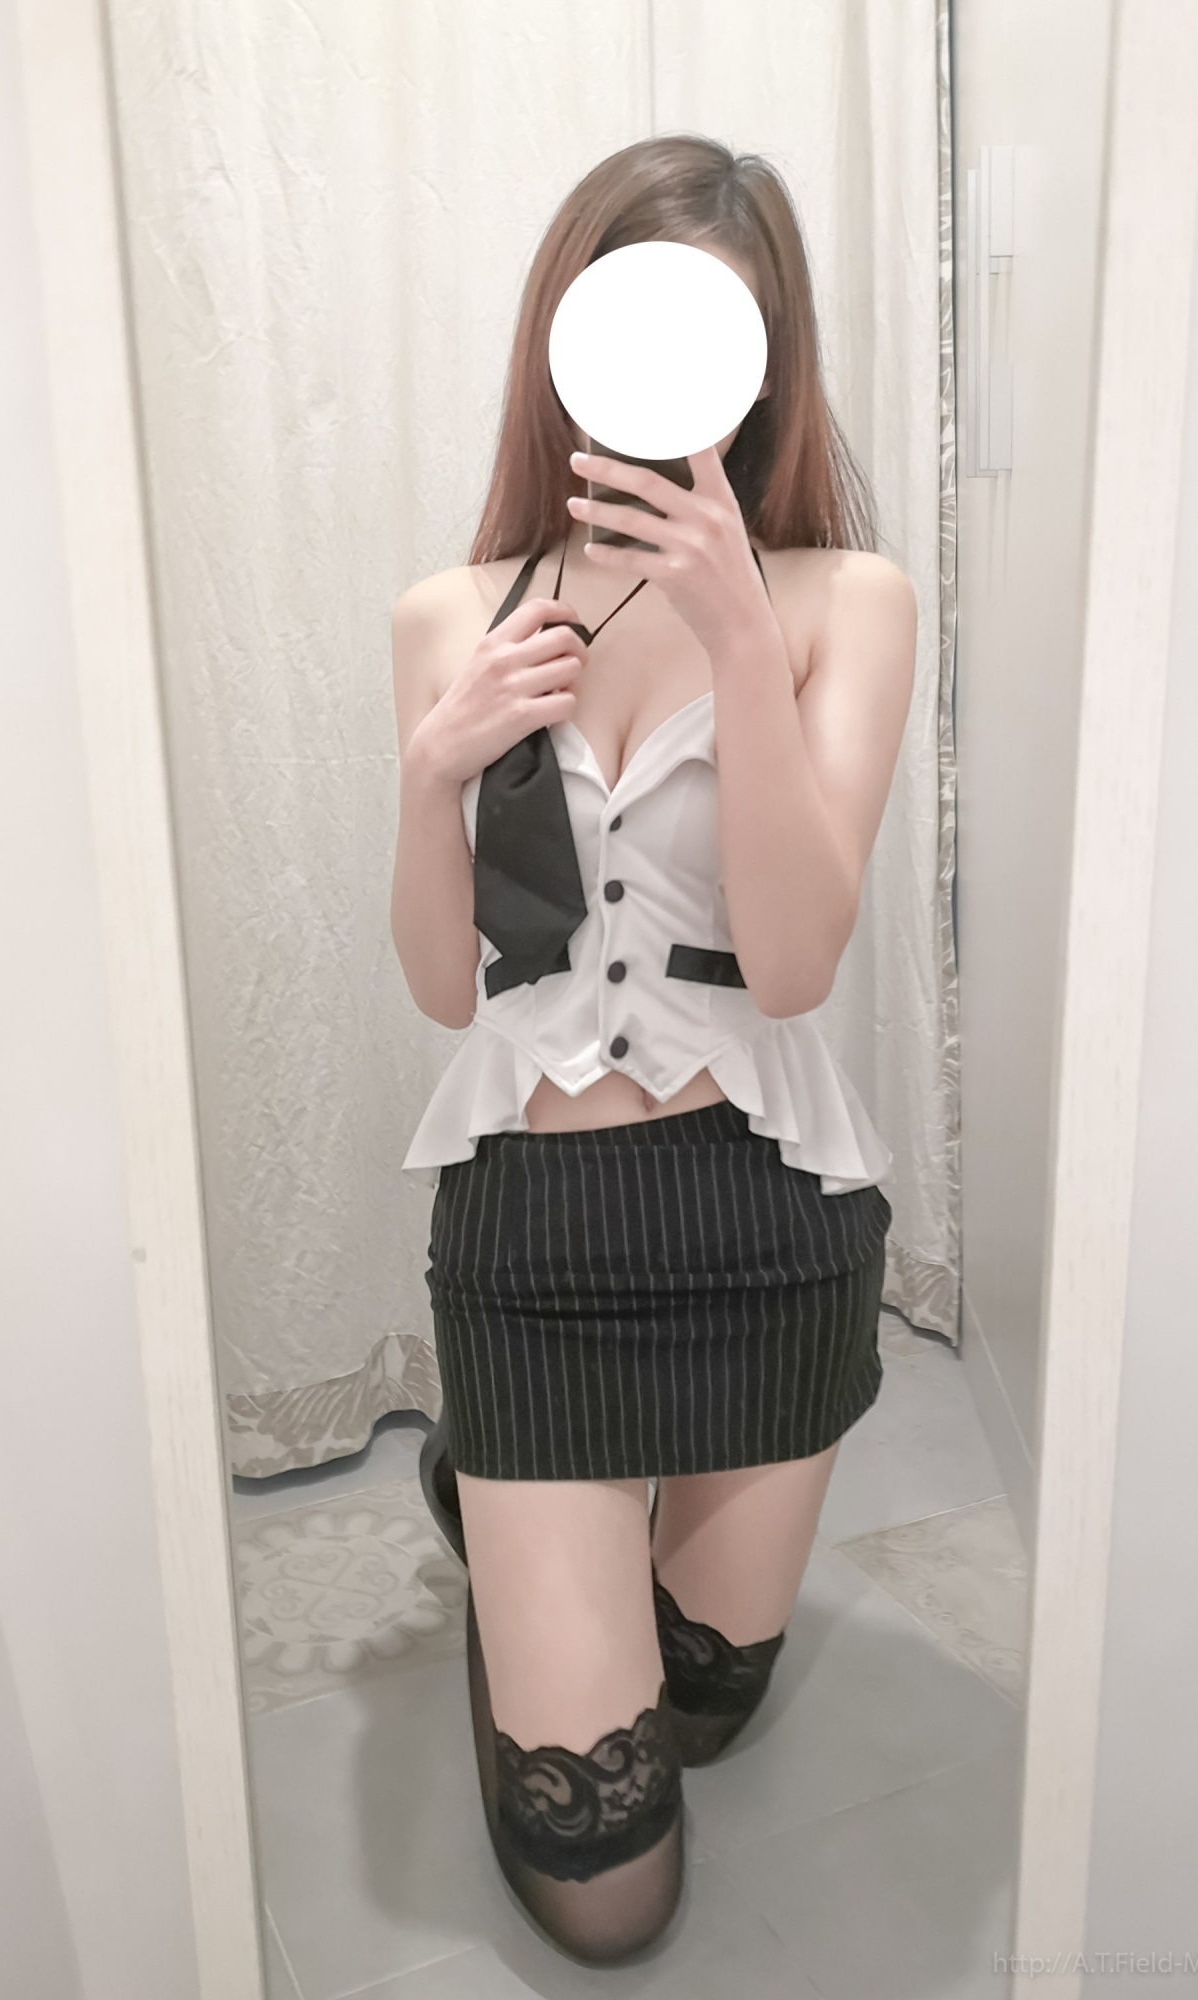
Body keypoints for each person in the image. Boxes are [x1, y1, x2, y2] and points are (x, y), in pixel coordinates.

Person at [388, 134, 915, 1965]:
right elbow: (443, 991)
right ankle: (517, 1525)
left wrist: (737, 642)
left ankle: (547, 1548)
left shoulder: (846, 598)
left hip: (770, 1222)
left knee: (708, 1708)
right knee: (608, 1882)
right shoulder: (453, 615)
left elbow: (795, 965)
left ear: (764, 366)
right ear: (566, 340)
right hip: (534, 1243)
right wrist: (433, 773)